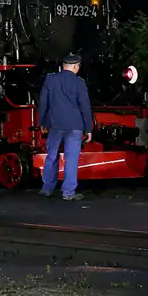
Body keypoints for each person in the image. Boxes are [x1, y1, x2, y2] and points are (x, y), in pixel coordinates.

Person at [38, 52, 92, 201]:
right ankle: (68, 193)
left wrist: (42, 122)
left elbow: (43, 102)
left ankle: (47, 188)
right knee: (71, 158)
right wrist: (88, 129)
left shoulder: (50, 80)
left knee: (52, 156)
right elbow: (85, 106)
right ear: (75, 67)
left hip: (54, 124)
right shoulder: (79, 82)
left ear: (63, 66)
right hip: (74, 125)